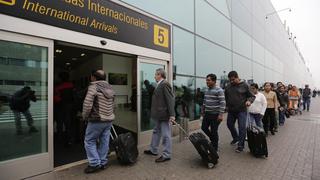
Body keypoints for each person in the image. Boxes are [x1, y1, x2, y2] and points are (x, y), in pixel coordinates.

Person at [82, 70, 115, 173]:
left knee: (89, 141)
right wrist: (110, 115)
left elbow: (87, 104)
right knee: (104, 141)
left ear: (94, 77)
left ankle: (95, 163)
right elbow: (114, 104)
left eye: (91, 76)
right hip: (108, 119)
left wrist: (85, 116)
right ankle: (102, 162)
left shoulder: (93, 87)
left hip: (97, 119)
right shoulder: (110, 87)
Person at [144, 68, 175, 163]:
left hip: (164, 114)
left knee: (166, 135)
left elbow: (170, 100)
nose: (154, 76)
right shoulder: (159, 84)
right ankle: (154, 150)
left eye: (155, 74)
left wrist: (172, 115)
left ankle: (167, 155)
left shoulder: (165, 84)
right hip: (158, 114)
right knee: (156, 131)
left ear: (160, 75)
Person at [224, 71, 255, 153]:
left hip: (242, 111)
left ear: (237, 77)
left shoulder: (245, 85)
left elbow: (252, 96)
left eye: (233, 79)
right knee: (229, 125)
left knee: (242, 128)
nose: (232, 81)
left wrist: (249, 101)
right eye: (230, 80)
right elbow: (226, 97)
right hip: (231, 111)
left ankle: (240, 145)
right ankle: (235, 138)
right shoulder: (228, 86)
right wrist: (226, 106)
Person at [201, 74, 225, 151]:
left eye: (208, 80)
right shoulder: (207, 90)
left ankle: (215, 148)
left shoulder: (219, 90)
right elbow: (205, 101)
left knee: (214, 131)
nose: (207, 82)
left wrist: (221, 115)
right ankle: (213, 140)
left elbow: (222, 103)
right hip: (207, 113)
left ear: (214, 81)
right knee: (203, 127)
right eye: (206, 80)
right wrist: (203, 110)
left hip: (215, 115)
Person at [54, 72, 75, 145]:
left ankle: (59, 139)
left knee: (60, 124)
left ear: (61, 78)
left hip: (60, 107)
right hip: (70, 107)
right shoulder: (72, 85)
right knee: (68, 124)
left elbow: (56, 98)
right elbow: (74, 96)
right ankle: (69, 140)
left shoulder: (58, 87)